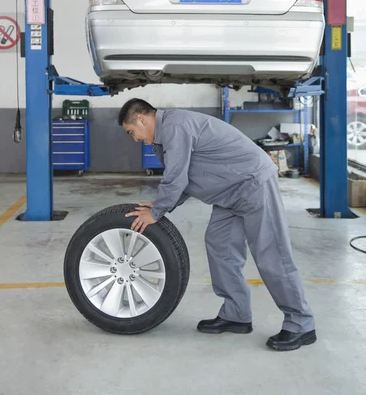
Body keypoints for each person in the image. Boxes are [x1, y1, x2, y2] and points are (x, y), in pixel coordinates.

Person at [119, 98, 316, 352]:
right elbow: (188, 177)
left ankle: (301, 323)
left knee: (271, 253)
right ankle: (237, 314)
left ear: (141, 119)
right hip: (230, 192)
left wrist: (156, 212)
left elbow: (176, 176)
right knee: (219, 245)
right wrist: (160, 204)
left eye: (131, 132)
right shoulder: (165, 136)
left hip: (252, 183)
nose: (135, 139)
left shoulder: (175, 127)